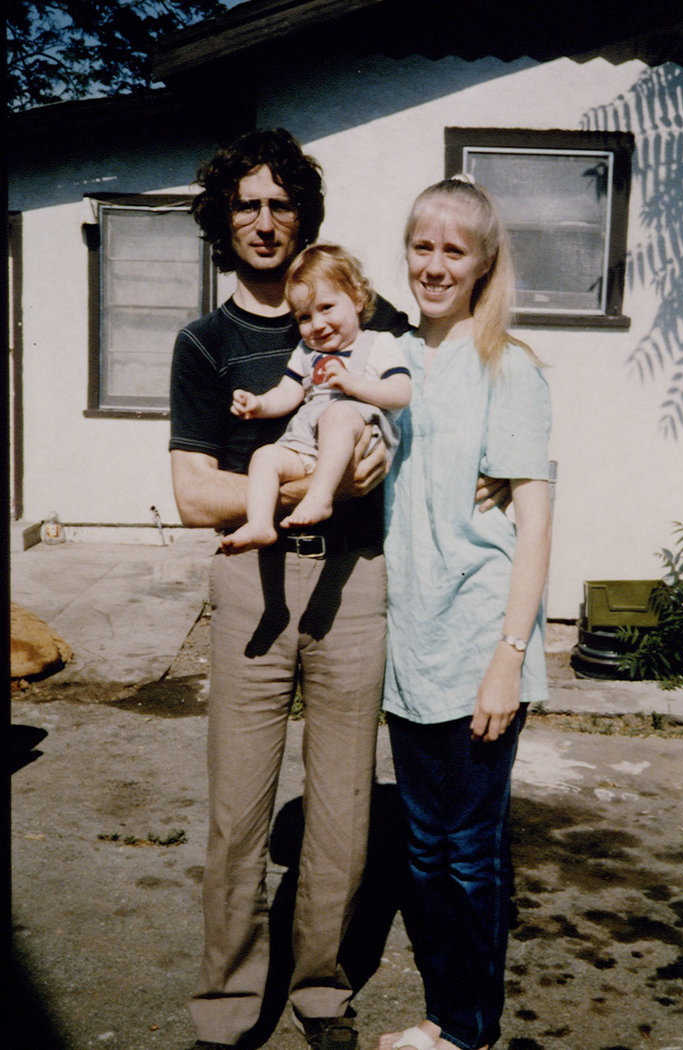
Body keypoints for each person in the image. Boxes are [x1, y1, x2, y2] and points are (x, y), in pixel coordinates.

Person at [169, 128, 508, 1050]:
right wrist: (309, 481)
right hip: (253, 585)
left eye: (282, 203)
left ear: (303, 215)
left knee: (344, 809)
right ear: (223, 219)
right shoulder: (205, 344)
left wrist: (496, 478)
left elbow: (437, 409)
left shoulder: (365, 315)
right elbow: (195, 491)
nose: (266, 221)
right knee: (239, 811)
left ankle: (321, 990)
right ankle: (229, 1005)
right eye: (248, 204)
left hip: (358, 588)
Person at [377, 175, 552, 1050]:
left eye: (455, 249)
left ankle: (468, 1030)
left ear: (483, 264)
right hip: (410, 650)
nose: (435, 264)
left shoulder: (508, 367)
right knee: (421, 851)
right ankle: (443, 1017)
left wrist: (509, 655)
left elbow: (537, 526)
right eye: (422, 245)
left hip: (481, 647)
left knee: (467, 853)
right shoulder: (395, 359)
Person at [222, 244, 411, 552]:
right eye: (305, 317)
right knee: (265, 456)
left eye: (326, 308)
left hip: (360, 435)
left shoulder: (378, 344)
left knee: (337, 415)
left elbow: (401, 392)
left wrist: (352, 384)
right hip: (309, 444)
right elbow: (288, 392)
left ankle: (320, 498)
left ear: (358, 299)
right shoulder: (307, 353)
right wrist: (259, 405)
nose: (318, 324)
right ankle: (259, 524)